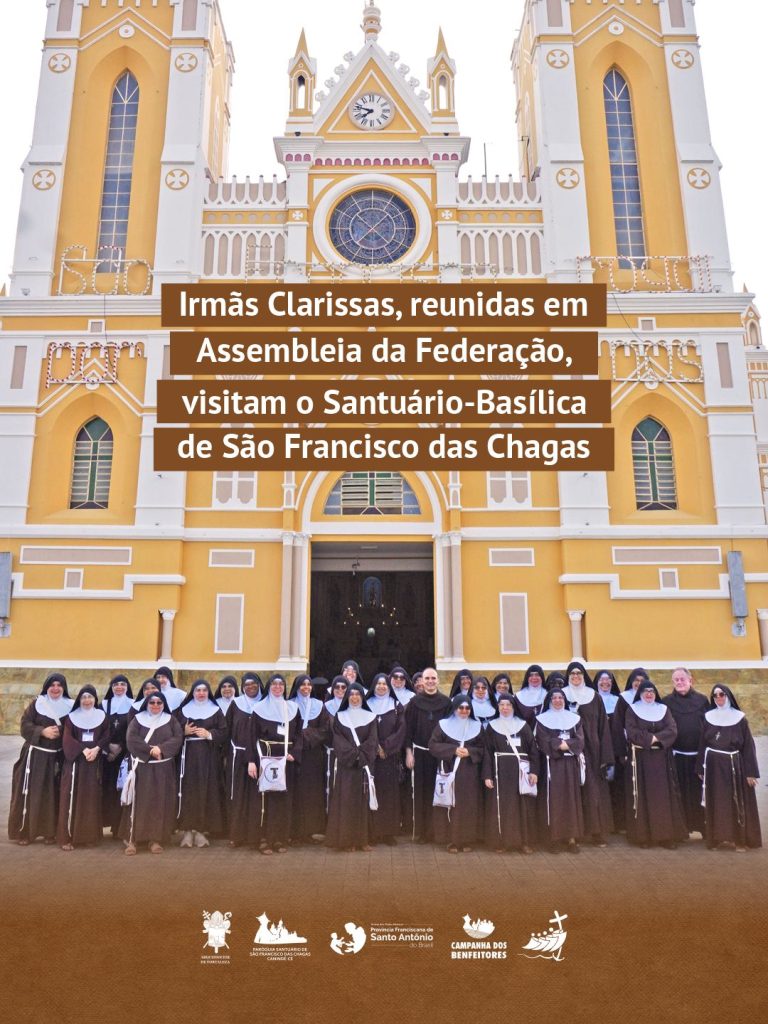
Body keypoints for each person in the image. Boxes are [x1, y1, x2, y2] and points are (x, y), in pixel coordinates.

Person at [8, 672, 73, 845]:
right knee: (32, 794)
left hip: (58, 757)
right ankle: (25, 833)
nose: (56, 688)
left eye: (59, 685)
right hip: (36, 757)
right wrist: (42, 731)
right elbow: (24, 725)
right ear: (46, 687)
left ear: (64, 688)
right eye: (52, 685)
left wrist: (62, 733)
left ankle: (49, 833)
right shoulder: (37, 704)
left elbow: (75, 728)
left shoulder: (70, 706)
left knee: (53, 795)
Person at [696, 685, 762, 851]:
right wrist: (700, 768)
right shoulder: (708, 717)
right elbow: (702, 744)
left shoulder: (739, 718)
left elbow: (748, 747)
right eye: (715, 695)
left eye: (722, 694)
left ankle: (739, 840)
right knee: (716, 803)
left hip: (734, 766)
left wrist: (751, 773)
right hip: (713, 767)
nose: (719, 698)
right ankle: (716, 839)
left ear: (728, 696)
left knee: (735, 802)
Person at [623, 681, 687, 850]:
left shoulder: (663, 709)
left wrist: (655, 738)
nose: (649, 694)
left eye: (652, 691)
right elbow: (631, 731)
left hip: (661, 760)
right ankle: (643, 837)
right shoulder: (632, 710)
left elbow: (672, 729)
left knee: (662, 797)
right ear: (640, 693)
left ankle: (665, 836)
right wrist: (649, 739)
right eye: (645, 691)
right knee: (642, 796)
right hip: (641, 759)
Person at [121, 690, 183, 855]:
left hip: (162, 769)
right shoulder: (137, 719)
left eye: (159, 702)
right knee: (138, 803)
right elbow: (131, 739)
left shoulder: (171, 720)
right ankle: (132, 840)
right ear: (146, 704)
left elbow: (178, 738)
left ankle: (155, 840)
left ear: (164, 704)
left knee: (158, 803)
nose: (155, 705)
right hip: (142, 768)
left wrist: (161, 749)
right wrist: (149, 750)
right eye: (152, 702)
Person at [247, 674, 302, 855]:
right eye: (274, 684)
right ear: (269, 687)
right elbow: (251, 737)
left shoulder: (292, 708)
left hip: (286, 760)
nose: (278, 687)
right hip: (265, 758)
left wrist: (295, 753)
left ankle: (279, 838)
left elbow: (299, 735)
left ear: (285, 688)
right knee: (265, 800)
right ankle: (264, 839)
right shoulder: (259, 709)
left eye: (281, 684)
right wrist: (251, 761)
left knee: (282, 800)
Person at [563, 661, 614, 846]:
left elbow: (603, 728)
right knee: (571, 792)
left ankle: (596, 833)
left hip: (592, 752)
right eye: (572, 674)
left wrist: (605, 757)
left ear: (584, 676)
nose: (576, 676)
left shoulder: (594, 697)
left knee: (593, 792)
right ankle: (573, 834)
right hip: (569, 751)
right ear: (568, 676)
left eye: (579, 673)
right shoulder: (561, 696)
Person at [482, 692, 539, 854]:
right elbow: (487, 752)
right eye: (501, 705)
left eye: (508, 705)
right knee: (502, 807)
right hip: (500, 773)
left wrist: (534, 771)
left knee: (523, 807)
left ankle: (524, 842)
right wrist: (487, 775)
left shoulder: (523, 726)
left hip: (521, 773)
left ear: (513, 707)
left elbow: (533, 750)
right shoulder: (492, 727)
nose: (505, 708)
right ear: (498, 707)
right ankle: (502, 842)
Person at [325, 682, 378, 851]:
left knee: (363, 802)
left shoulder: (371, 717)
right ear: (347, 697)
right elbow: (338, 740)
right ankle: (347, 841)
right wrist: (353, 755)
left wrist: (360, 756)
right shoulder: (340, 717)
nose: (355, 697)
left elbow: (372, 740)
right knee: (346, 802)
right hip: (346, 767)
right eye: (352, 694)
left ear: (362, 697)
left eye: (358, 694)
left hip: (363, 766)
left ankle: (363, 840)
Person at [429, 694, 485, 853]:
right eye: (461, 708)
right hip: (449, 771)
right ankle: (451, 841)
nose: (464, 711)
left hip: (469, 773)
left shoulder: (477, 726)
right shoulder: (443, 725)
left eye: (467, 708)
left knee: (468, 806)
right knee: (450, 805)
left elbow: (483, 749)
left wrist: (470, 752)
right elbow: (433, 745)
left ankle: (467, 840)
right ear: (454, 709)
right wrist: (453, 750)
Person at [57, 685, 110, 850]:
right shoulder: (71, 718)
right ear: (79, 699)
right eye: (84, 697)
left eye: (90, 697)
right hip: (75, 764)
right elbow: (67, 739)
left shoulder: (102, 716)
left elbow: (106, 735)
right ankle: (67, 838)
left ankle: (89, 837)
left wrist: (97, 749)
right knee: (70, 797)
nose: (87, 700)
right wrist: (84, 750)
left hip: (93, 764)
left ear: (95, 699)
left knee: (90, 799)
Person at [176, 680, 228, 848]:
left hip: (208, 757)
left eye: (204, 690)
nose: (201, 693)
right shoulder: (183, 710)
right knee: (188, 792)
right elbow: (171, 730)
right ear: (193, 692)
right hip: (187, 756)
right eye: (198, 690)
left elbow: (224, 732)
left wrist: (209, 734)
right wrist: (183, 732)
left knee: (206, 791)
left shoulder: (215, 710)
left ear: (208, 692)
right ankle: (187, 831)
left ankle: (200, 831)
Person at [535, 687, 585, 853]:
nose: (557, 700)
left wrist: (566, 745)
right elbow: (542, 740)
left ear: (564, 700)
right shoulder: (542, 719)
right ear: (549, 701)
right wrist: (559, 745)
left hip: (570, 764)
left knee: (571, 800)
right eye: (554, 698)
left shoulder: (574, 718)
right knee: (555, 801)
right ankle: (554, 838)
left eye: (560, 698)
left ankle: (571, 839)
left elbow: (580, 740)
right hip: (552, 764)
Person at [404, 667, 451, 843]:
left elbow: (450, 729)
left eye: (433, 678)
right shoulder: (414, 703)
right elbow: (408, 730)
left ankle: (438, 832)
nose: (430, 681)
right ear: (421, 681)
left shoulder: (446, 703)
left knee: (439, 792)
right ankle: (423, 832)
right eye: (427, 678)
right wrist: (409, 753)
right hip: (420, 754)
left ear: (438, 680)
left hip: (440, 756)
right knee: (422, 793)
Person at [662, 667, 708, 836]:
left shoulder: (702, 701)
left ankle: (704, 828)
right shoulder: (666, 702)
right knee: (679, 794)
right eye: (676, 680)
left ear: (690, 680)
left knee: (700, 793)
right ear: (672, 682)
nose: (680, 682)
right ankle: (682, 830)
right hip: (677, 756)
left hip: (698, 757)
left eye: (683, 679)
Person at [289, 673, 331, 844]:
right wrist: (297, 741)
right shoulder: (289, 705)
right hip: (294, 754)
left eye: (308, 684)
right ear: (297, 687)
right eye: (302, 684)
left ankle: (310, 831)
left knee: (312, 793)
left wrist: (306, 735)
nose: (306, 687)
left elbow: (325, 729)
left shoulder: (319, 706)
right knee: (295, 793)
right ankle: (294, 832)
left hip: (313, 755)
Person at [366, 672, 406, 846]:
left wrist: (386, 748)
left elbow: (401, 730)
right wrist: (375, 747)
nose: (381, 686)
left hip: (389, 757)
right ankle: (373, 832)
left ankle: (388, 832)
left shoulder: (396, 706)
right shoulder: (366, 704)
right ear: (373, 686)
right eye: (378, 683)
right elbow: (362, 728)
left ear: (389, 687)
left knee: (389, 794)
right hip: (371, 757)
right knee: (372, 791)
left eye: (384, 684)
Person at [225, 673, 262, 848]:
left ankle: (255, 836)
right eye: (247, 684)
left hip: (259, 756)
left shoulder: (265, 704)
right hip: (238, 756)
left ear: (259, 685)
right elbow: (227, 729)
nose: (251, 686)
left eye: (254, 683)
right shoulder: (236, 704)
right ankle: (236, 835)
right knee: (238, 796)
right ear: (242, 687)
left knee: (256, 798)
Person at [100, 674, 134, 837]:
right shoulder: (103, 705)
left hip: (124, 754)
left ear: (127, 687)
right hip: (106, 756)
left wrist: (120, 747)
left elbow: (133, 730)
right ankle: (104, 823)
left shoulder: (133, 705)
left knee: (121, 789)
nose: (119, 687)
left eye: (122, 684)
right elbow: (99, 728)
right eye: (115, 684)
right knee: (107, 789)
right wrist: (107, 747)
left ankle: (118, 828)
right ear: (111, 687)